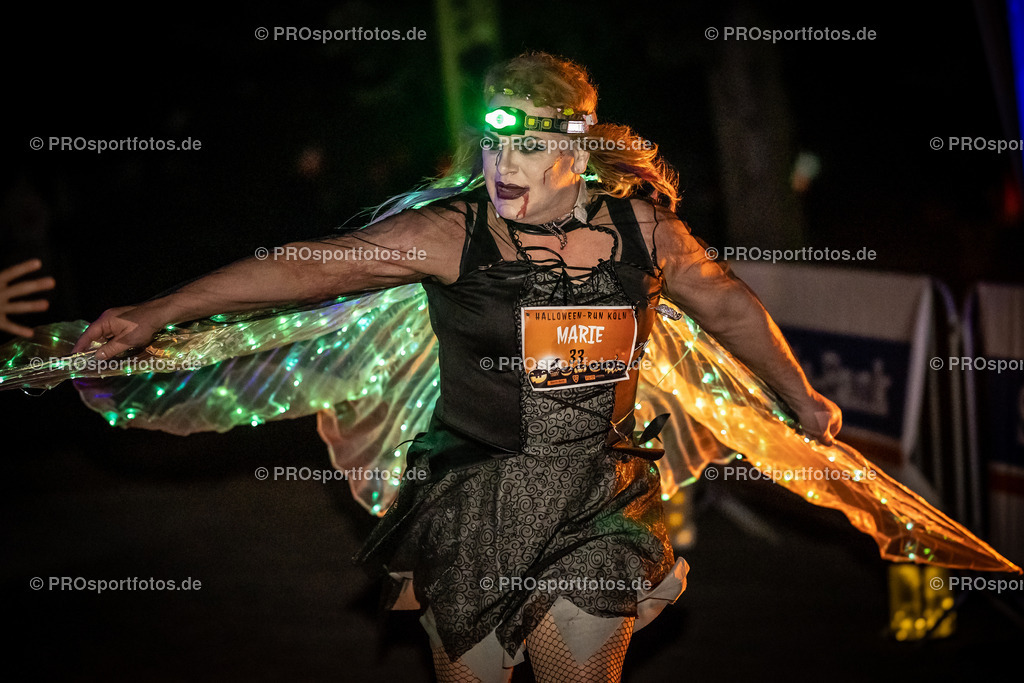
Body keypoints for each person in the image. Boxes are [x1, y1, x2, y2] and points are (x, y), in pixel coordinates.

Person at [70, 53, 841, 682]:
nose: (504, 165)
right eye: (495, 142)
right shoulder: (450, 234)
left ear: (575, 151)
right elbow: (305, 268)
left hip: (595, 499)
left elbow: (731, 306)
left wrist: (800, 395)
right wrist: (160, 310)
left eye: (529, 147)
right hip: (471, 499)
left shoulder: (647, 231)